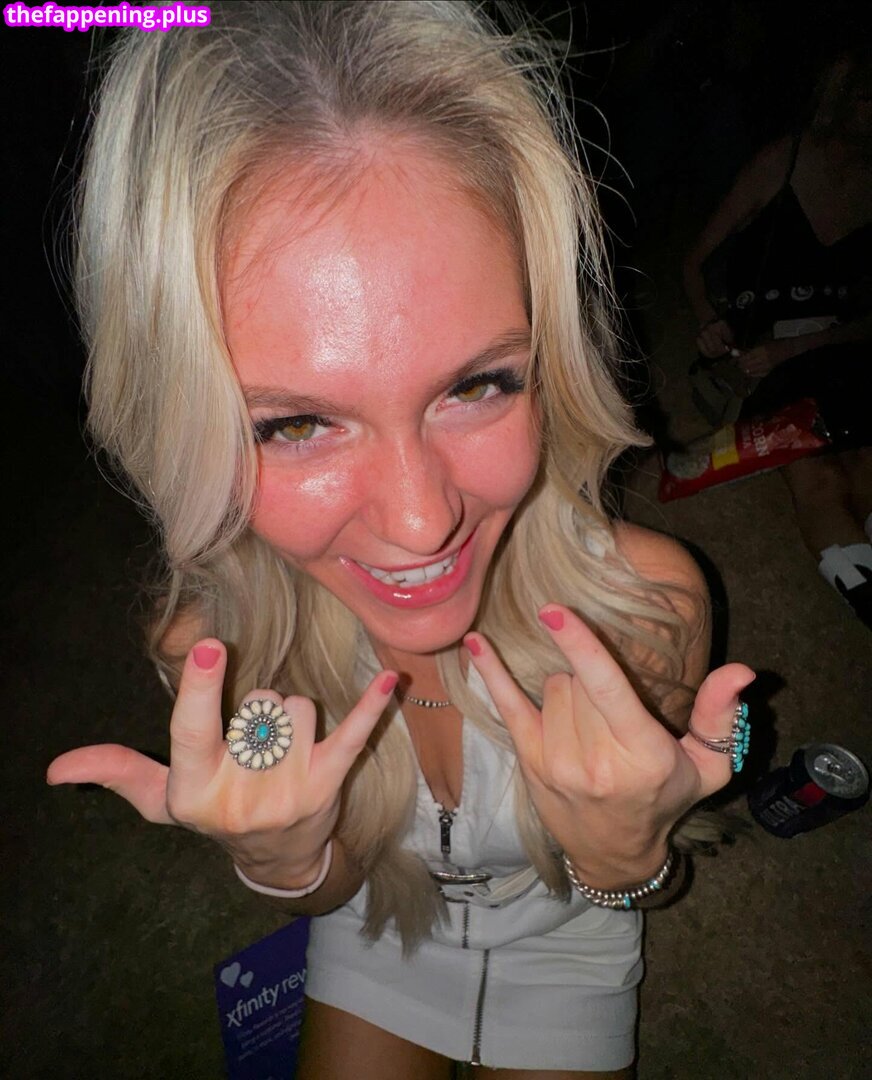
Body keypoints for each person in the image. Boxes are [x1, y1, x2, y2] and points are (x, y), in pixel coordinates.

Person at [47, 4, 753, 1077]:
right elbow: (331, 887)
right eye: (294, 424)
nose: (424, 523)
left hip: (570, 938)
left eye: (476, 384)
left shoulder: (645, 606)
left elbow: (632, 889)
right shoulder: (212, 651)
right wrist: (285, 863)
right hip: (378, 930)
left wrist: (626, 861)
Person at [684, 48, 872, 627]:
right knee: (818, 473)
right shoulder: (782, 162)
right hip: (770, 354)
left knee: (868, 468)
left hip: (843, 350)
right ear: (843, 96)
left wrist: (804, 345)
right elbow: (693, 262)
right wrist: (708, 322)